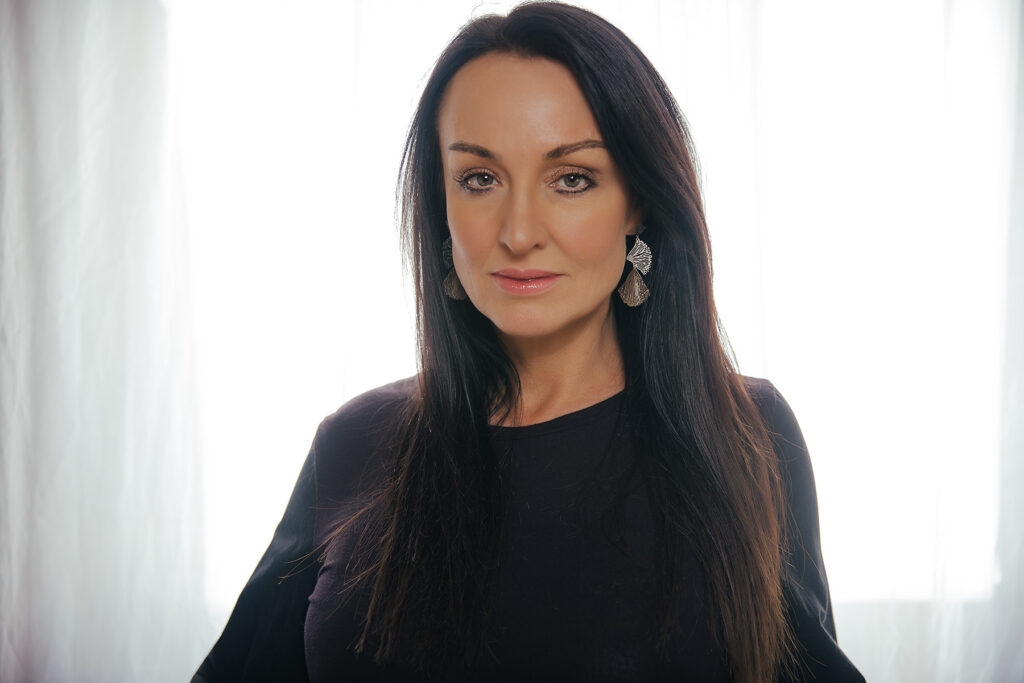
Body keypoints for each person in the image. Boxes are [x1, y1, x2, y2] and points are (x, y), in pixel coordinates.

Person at [192, 2, 864, 681]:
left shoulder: (747, 433)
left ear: (638, 203)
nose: (518, 231)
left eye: (571, 178)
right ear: (442, 203)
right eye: (479, 179)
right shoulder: (355, 442)